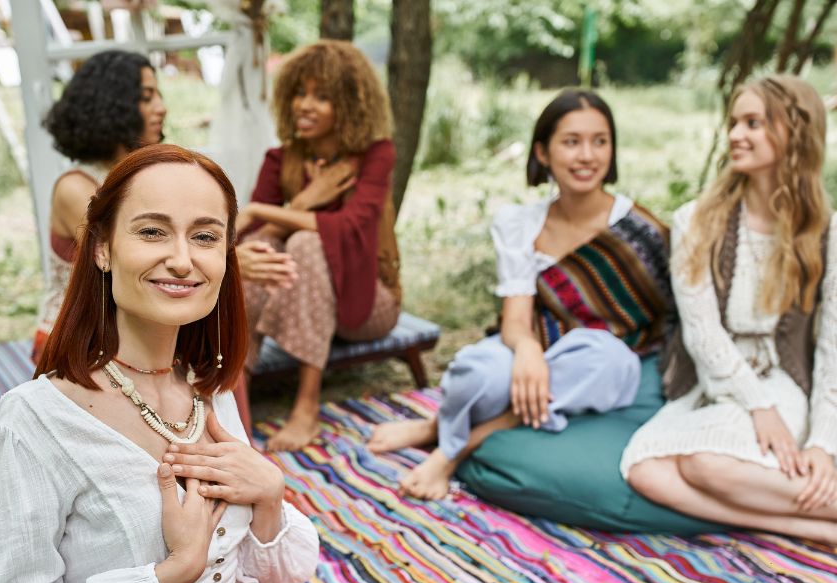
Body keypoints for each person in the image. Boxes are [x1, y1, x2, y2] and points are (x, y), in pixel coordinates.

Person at [0, 144, 655, 583]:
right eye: (152, 232)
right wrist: (172, 570)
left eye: (206, 236)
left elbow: (266, 575)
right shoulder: (36, 423)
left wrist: (267, 499)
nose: (182, 258)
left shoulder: (204, 387)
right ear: (103, 248)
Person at [368, 89, 675, 500]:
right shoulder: (520, 224)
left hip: (607, 356)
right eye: (571, 142)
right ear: (543, 153)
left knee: (604, 360)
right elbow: (516, 319)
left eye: (600, 141)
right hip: (543, 339)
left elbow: (669, 313)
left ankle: (457, 444)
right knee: (474, 370)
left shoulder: (639, 230)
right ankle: (435, 424)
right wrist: (528, 351)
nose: (587, 155)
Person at [622, 75, 837, 544]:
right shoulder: (695, 220)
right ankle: (805, 524)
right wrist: (757, 406)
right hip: (718, 382)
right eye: (735, 122)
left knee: (703, 464)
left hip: (785, 382)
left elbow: (832, 349)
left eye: (754, 123)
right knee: (644, 470)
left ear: (794, 134)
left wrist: (823, 444)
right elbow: (702, 333)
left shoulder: (825, 230)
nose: (737, 134)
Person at [236, 40, 402, 451]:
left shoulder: (376, 157)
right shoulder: (281, 159)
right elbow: (246, 237)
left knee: (310, 242)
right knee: (258, 251)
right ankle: (234, 404)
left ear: (349, 104)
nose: (305, 105)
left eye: (322, 96)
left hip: (366, 303)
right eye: (299, 93)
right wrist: (304, 201)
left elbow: (348, 227)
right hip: (302, 297)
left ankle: (306, 408)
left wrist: (267, 210)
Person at [31, 49, 167, 364]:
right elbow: (129, 255)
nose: (162, 108)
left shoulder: (145, 176)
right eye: (147, 98)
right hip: (79, 338)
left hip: (132, 329)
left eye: (159, 96)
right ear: (112, 106)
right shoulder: (75, 187)